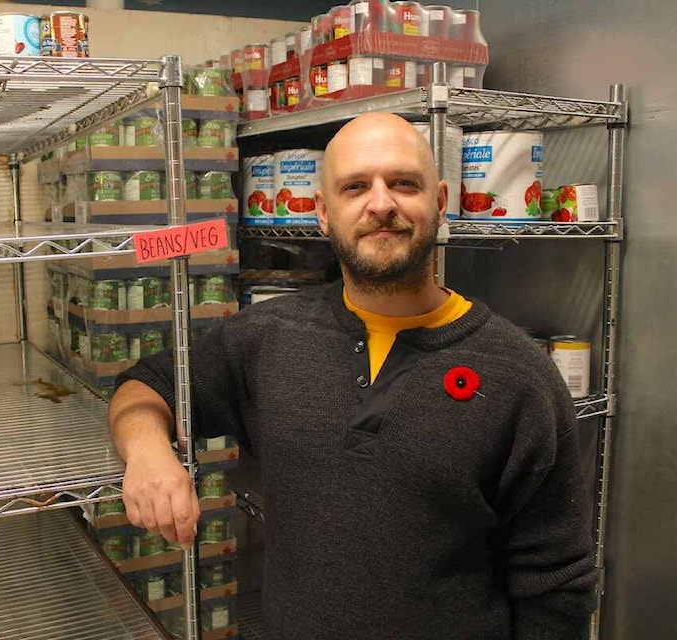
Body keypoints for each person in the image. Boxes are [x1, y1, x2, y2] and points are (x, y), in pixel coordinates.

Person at [108, 112, 597, 639]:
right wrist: (147, 452)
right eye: (355, 186)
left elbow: (555, 585)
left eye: (404, 183)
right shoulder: (268, 336)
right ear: (323, 212)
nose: (381, 204)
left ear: (440, 202)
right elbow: (147, 384)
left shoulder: (519, 374)